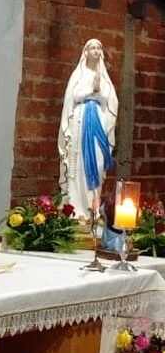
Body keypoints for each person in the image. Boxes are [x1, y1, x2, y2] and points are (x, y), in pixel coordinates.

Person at [58, 38, 118, 221]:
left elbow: (110, 101)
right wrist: (92, 90)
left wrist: (98, 90)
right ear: (85, 52)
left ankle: (93, 208)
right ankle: (75, 209)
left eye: (99, 47)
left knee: (98, 163)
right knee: (78, 163)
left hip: (98, 122)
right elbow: (73, 96)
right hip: (80, 120)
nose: (96, 50)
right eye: (92, 47)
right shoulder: (78, 75)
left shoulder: (104, 77)